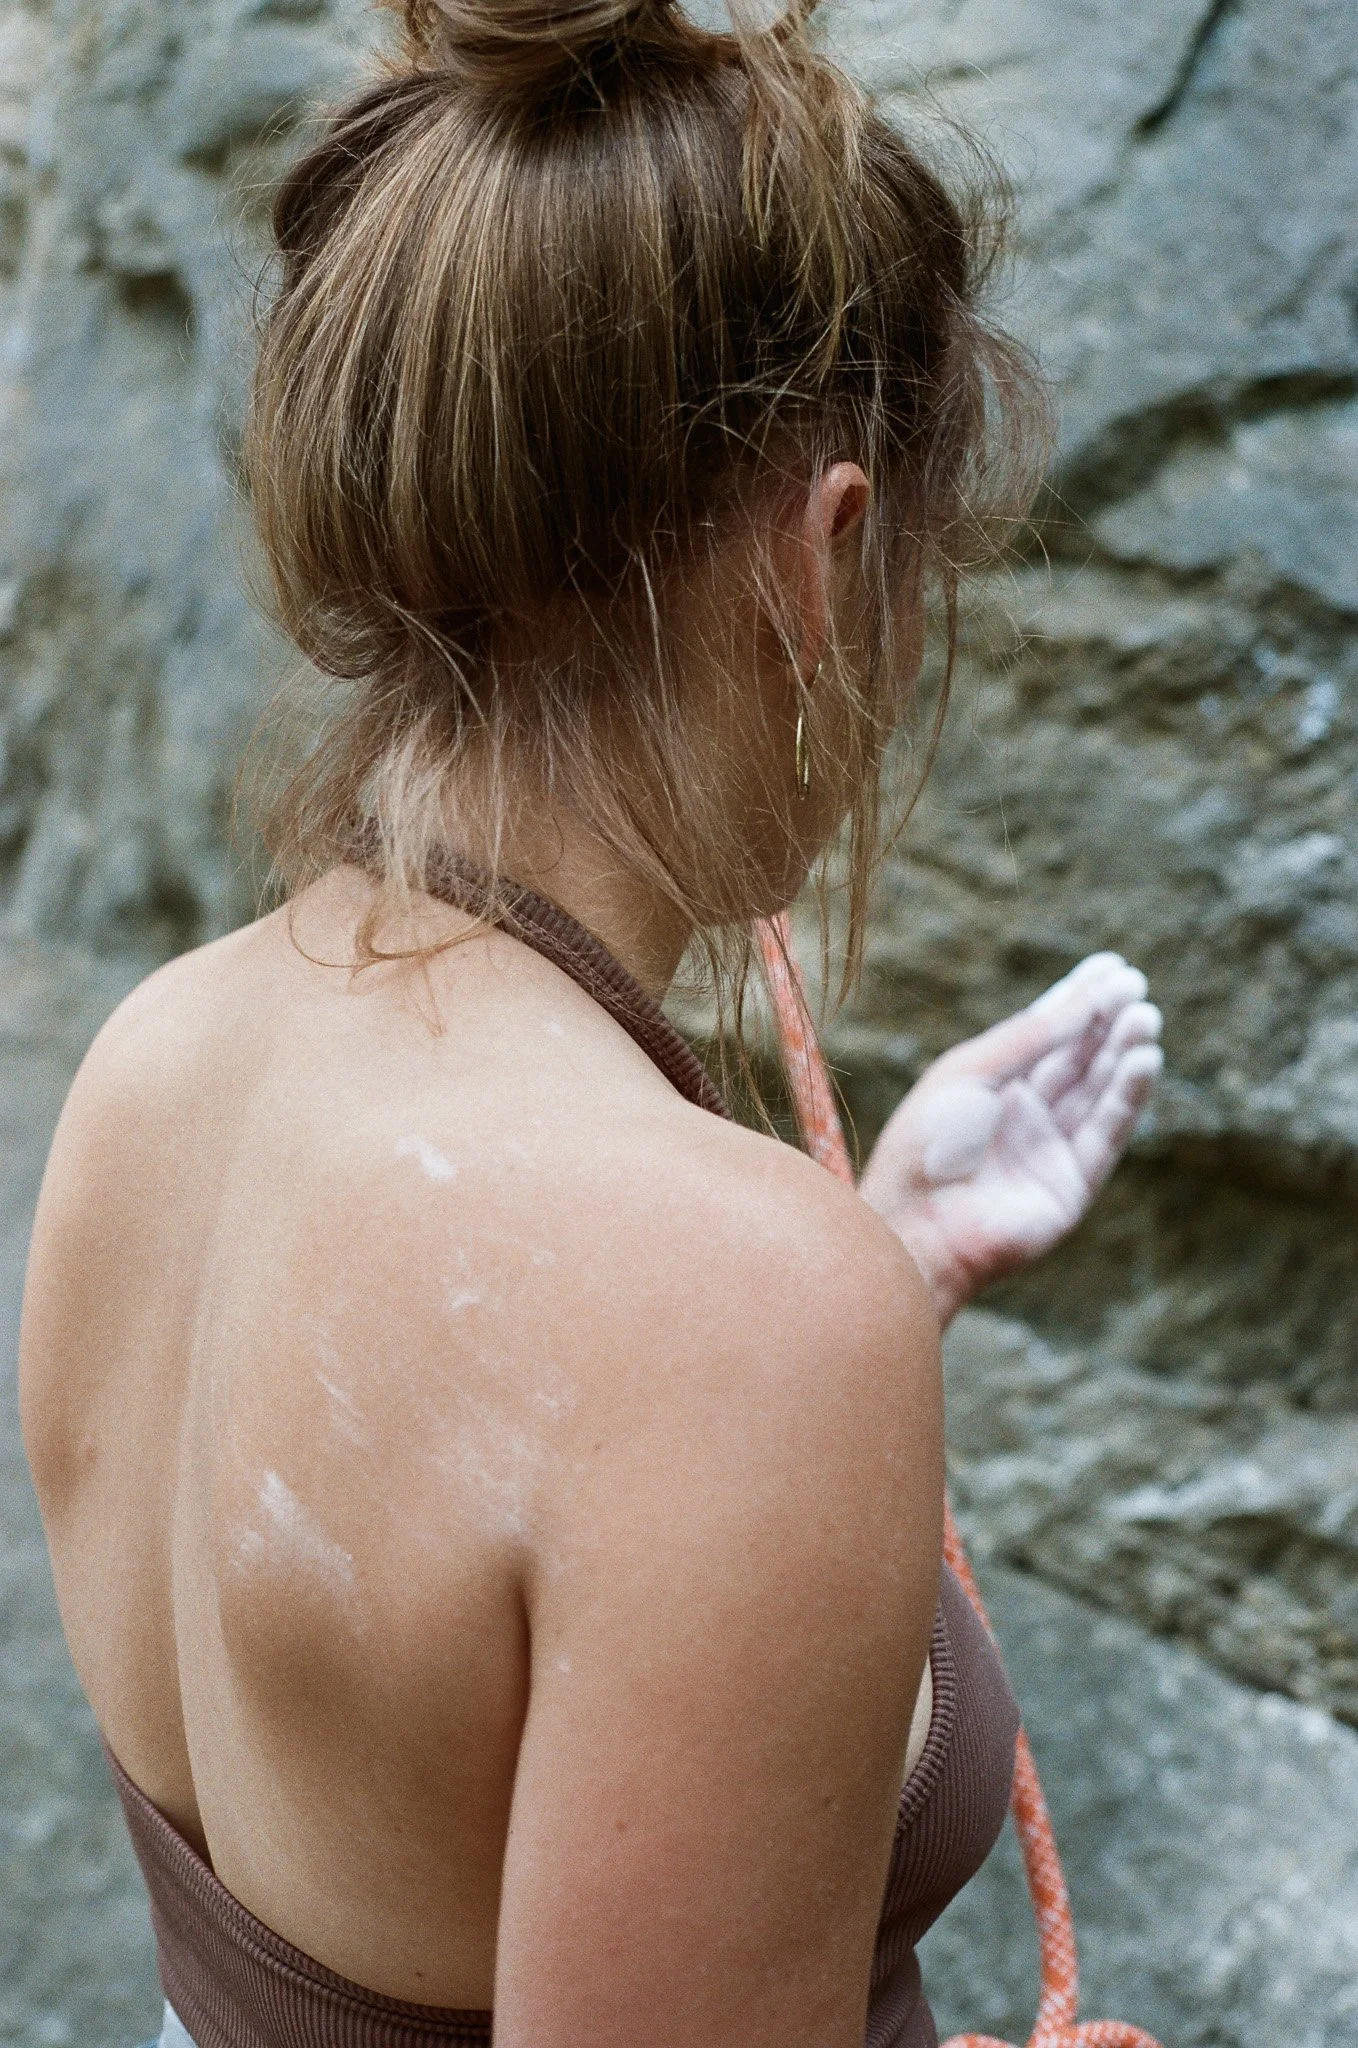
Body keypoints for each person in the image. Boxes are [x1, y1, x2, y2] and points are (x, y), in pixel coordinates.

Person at [18, 1, 1163, 2043]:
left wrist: (872, 1272)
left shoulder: (155, 1074)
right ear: (818, 567)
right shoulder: (734, 1324)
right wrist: (805, 1325)